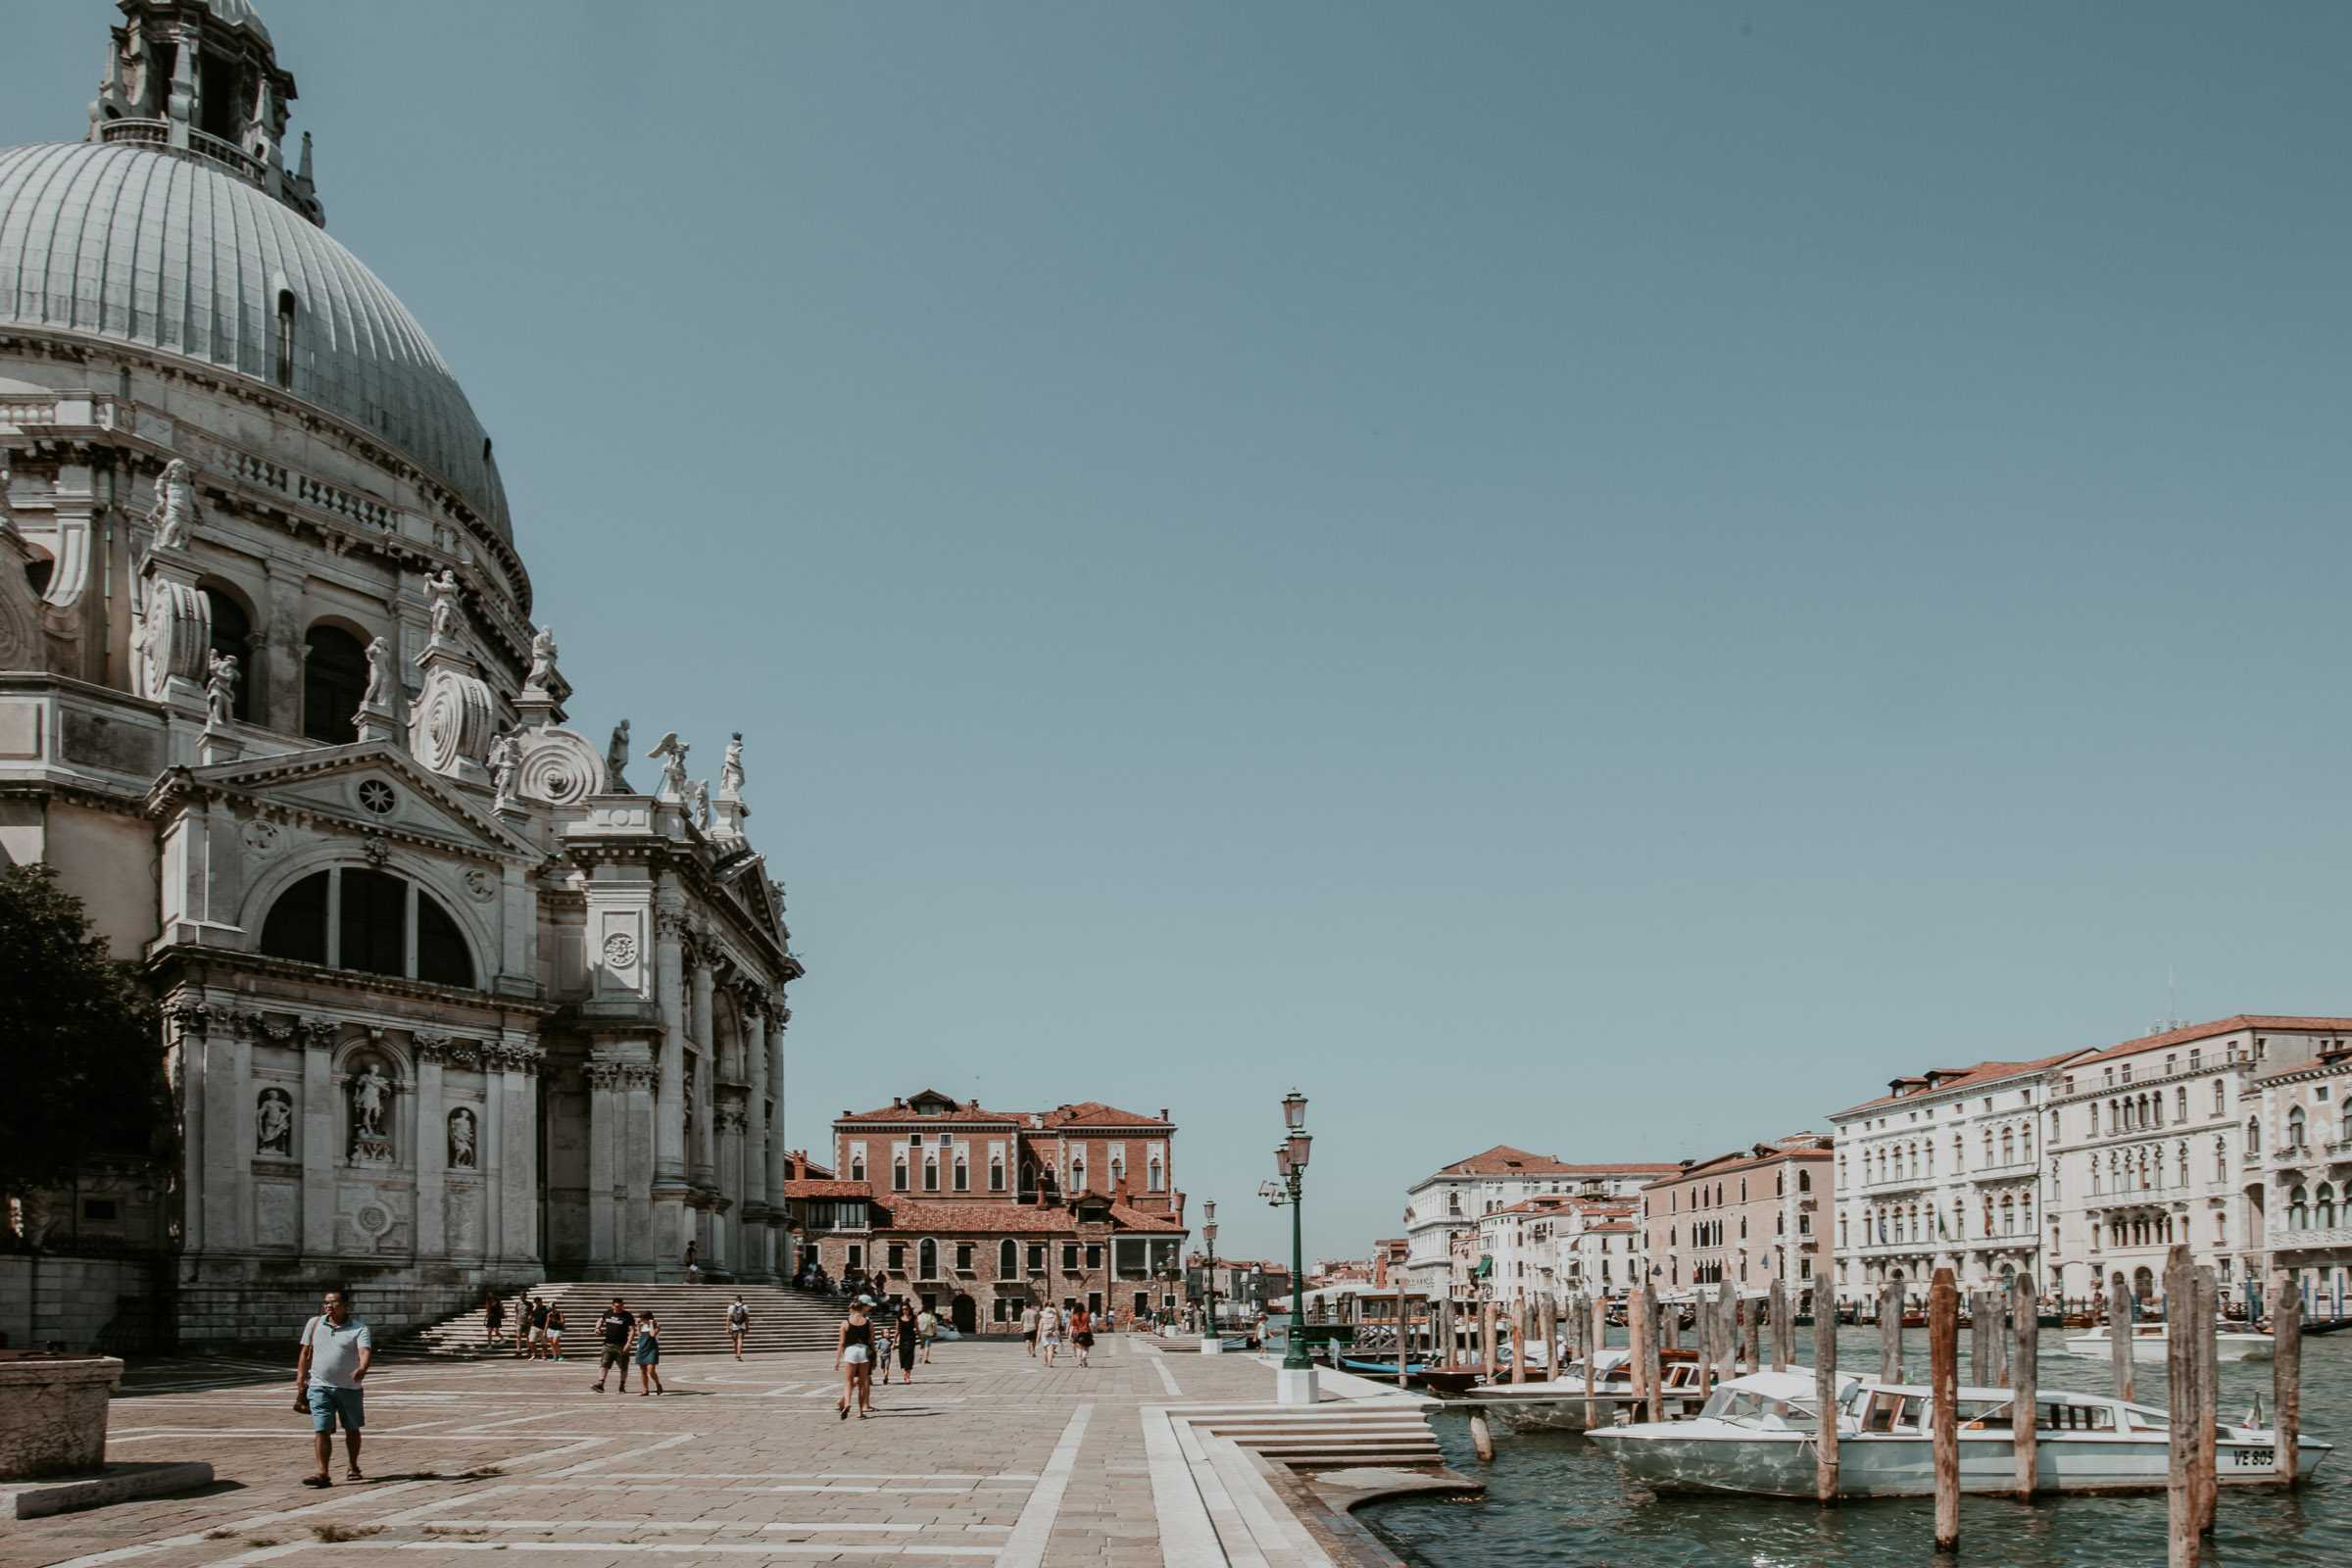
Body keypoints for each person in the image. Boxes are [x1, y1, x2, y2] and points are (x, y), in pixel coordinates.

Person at [293, 1287, 371, 1488]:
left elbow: (364, 1351)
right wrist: (301, 1376)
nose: (328, 1306)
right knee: (321, 1429)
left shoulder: (359, 1328)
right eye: (326, 1302)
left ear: (345, 1305)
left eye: (333, 1302)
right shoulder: (314, 1323)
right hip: (319, 1384)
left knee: (352, 1429)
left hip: (349, 1387)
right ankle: (323, 1473)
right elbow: (305, 1351)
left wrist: (362, 1368)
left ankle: (353, 1466)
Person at [835, 1296, 876, 1419]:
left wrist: (837, 1360)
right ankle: (860, 1412)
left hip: (850, 1351)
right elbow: (872, 1342)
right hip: (863, 1351)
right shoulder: (868, 1322)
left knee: (848, 1382)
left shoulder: (845, 1323)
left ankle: (847, 1403)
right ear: (862, 1307)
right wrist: (873, 1357)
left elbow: (841, 1343)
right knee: (862, 1384)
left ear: (852, 1308)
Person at [591, 1297, 633, 1393]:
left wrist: (629, 1343)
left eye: (621, 1306)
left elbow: (632, 1330)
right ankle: (601, 1384)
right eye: (616, 1306)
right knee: (604, 1364)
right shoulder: (608, 1312)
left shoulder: (627, 1315)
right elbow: (600, 1320)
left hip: (621, 1345)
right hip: (608, 1344)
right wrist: (597, 1328)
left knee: (623, 1366)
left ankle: (622, 1385)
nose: (619, 1308)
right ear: (612, 1305)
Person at [633, 1313, 664, 1396]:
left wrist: (650, 1323)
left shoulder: (656, 1325)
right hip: (642, 1349)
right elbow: (639, 1334)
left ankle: (658, 1383)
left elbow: (652, 1334)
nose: (641, 1320)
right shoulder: (642, 1325)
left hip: (651, 1349)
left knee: (651, 1370)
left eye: (642, 1318)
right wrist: (637, 1326)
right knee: (643, 1371)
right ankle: (645, 1389)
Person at [895, 1300, 919, 1384]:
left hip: (911, 1339)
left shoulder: (913, 1318)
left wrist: (921, 1339)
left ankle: (907, 1376)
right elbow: (897, 1331)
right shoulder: (898, 1318)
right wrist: (894, 1342)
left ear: (909, 1309)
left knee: (909, 1356)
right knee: (903, 1356)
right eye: (903, 1309)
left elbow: (917, 1328)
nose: (905, 1310)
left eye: (906, 1309)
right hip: (902, 1339)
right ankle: (906, 1373)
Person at [727, 1294, 751, 1359]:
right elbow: (747, 1318)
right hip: (742, 1325)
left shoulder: (731, 1307)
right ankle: (739, 1354)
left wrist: (727, 1327)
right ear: (741, 1300)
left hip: (734, 1325)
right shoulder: (745, 1307)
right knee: (740, 1340)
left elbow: (728, 1318)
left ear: (735, 1300)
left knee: (735, 1341)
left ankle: (736, 1354)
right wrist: (747, 1326)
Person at [1040, 1300, 1062, 1367]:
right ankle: (1049, 1360)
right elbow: (1058, 1322)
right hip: (1053, 1331)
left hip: (1045, 1332)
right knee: (1051, 1348)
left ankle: (1046, 1361)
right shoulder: (1055, 1312)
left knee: (1046, 1348)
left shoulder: (1045, 1312)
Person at [1070, 1301, 1094, 1368]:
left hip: (1077, 1334)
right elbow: (1090, 1324)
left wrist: (1070, 1336)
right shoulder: (1087, 1314)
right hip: (1086, 1333)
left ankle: (1080, 1364)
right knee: (1086, 1348)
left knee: (1078, 1349)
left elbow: (1072, 1327)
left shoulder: (1074, 1316)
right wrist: (1092, 1331)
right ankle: (1084, 1357)